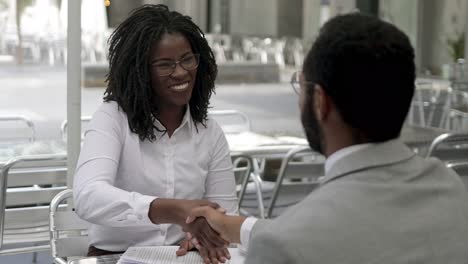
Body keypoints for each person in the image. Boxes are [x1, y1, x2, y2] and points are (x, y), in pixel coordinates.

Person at [186, 13, 468, 263]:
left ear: (320, 101)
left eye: (301, 84)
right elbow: (362, 228)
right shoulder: (452, 189)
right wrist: (233, 225)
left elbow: (310, 235)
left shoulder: (285, 246)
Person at [73, 4, 237, 264]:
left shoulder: (209, 132)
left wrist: (205, 236)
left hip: (183, 256)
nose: (181, 72)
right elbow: (87, 196)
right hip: (115, 258)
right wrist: (173, 210)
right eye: (165, 64)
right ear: (139, 71)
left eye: (187, 59)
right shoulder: (112, 118)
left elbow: (225, 212)